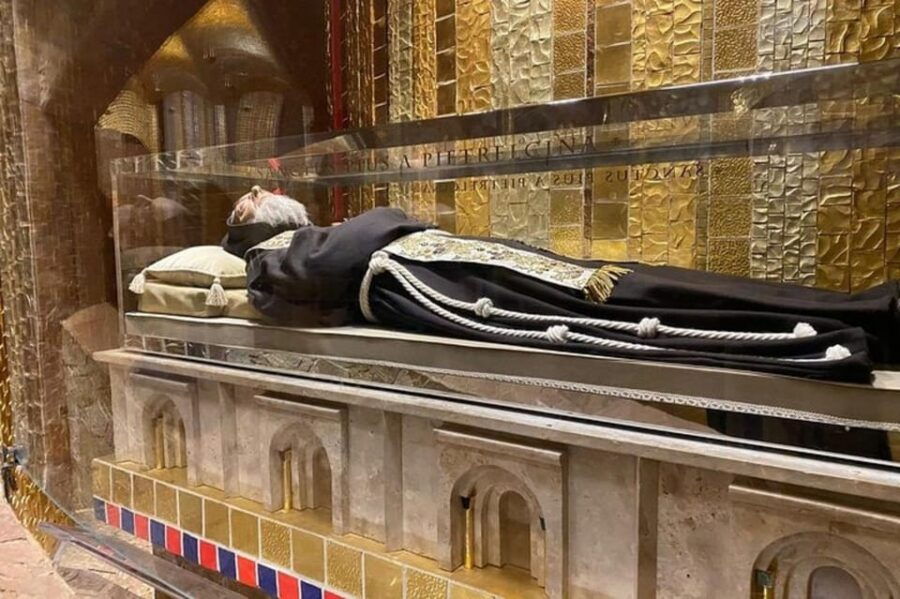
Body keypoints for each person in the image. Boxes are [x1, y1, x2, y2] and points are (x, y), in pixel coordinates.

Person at [224, 198, 899, 383]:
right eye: (248, 201)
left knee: (649, 287)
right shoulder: (276, 256)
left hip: (466, 272)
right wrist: (385, 221)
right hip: (458, 286)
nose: (257, 189)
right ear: (256, 231)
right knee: (647, 304)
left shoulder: (307, 243)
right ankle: (855, 325)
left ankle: (867, 310)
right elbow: (364, 236)